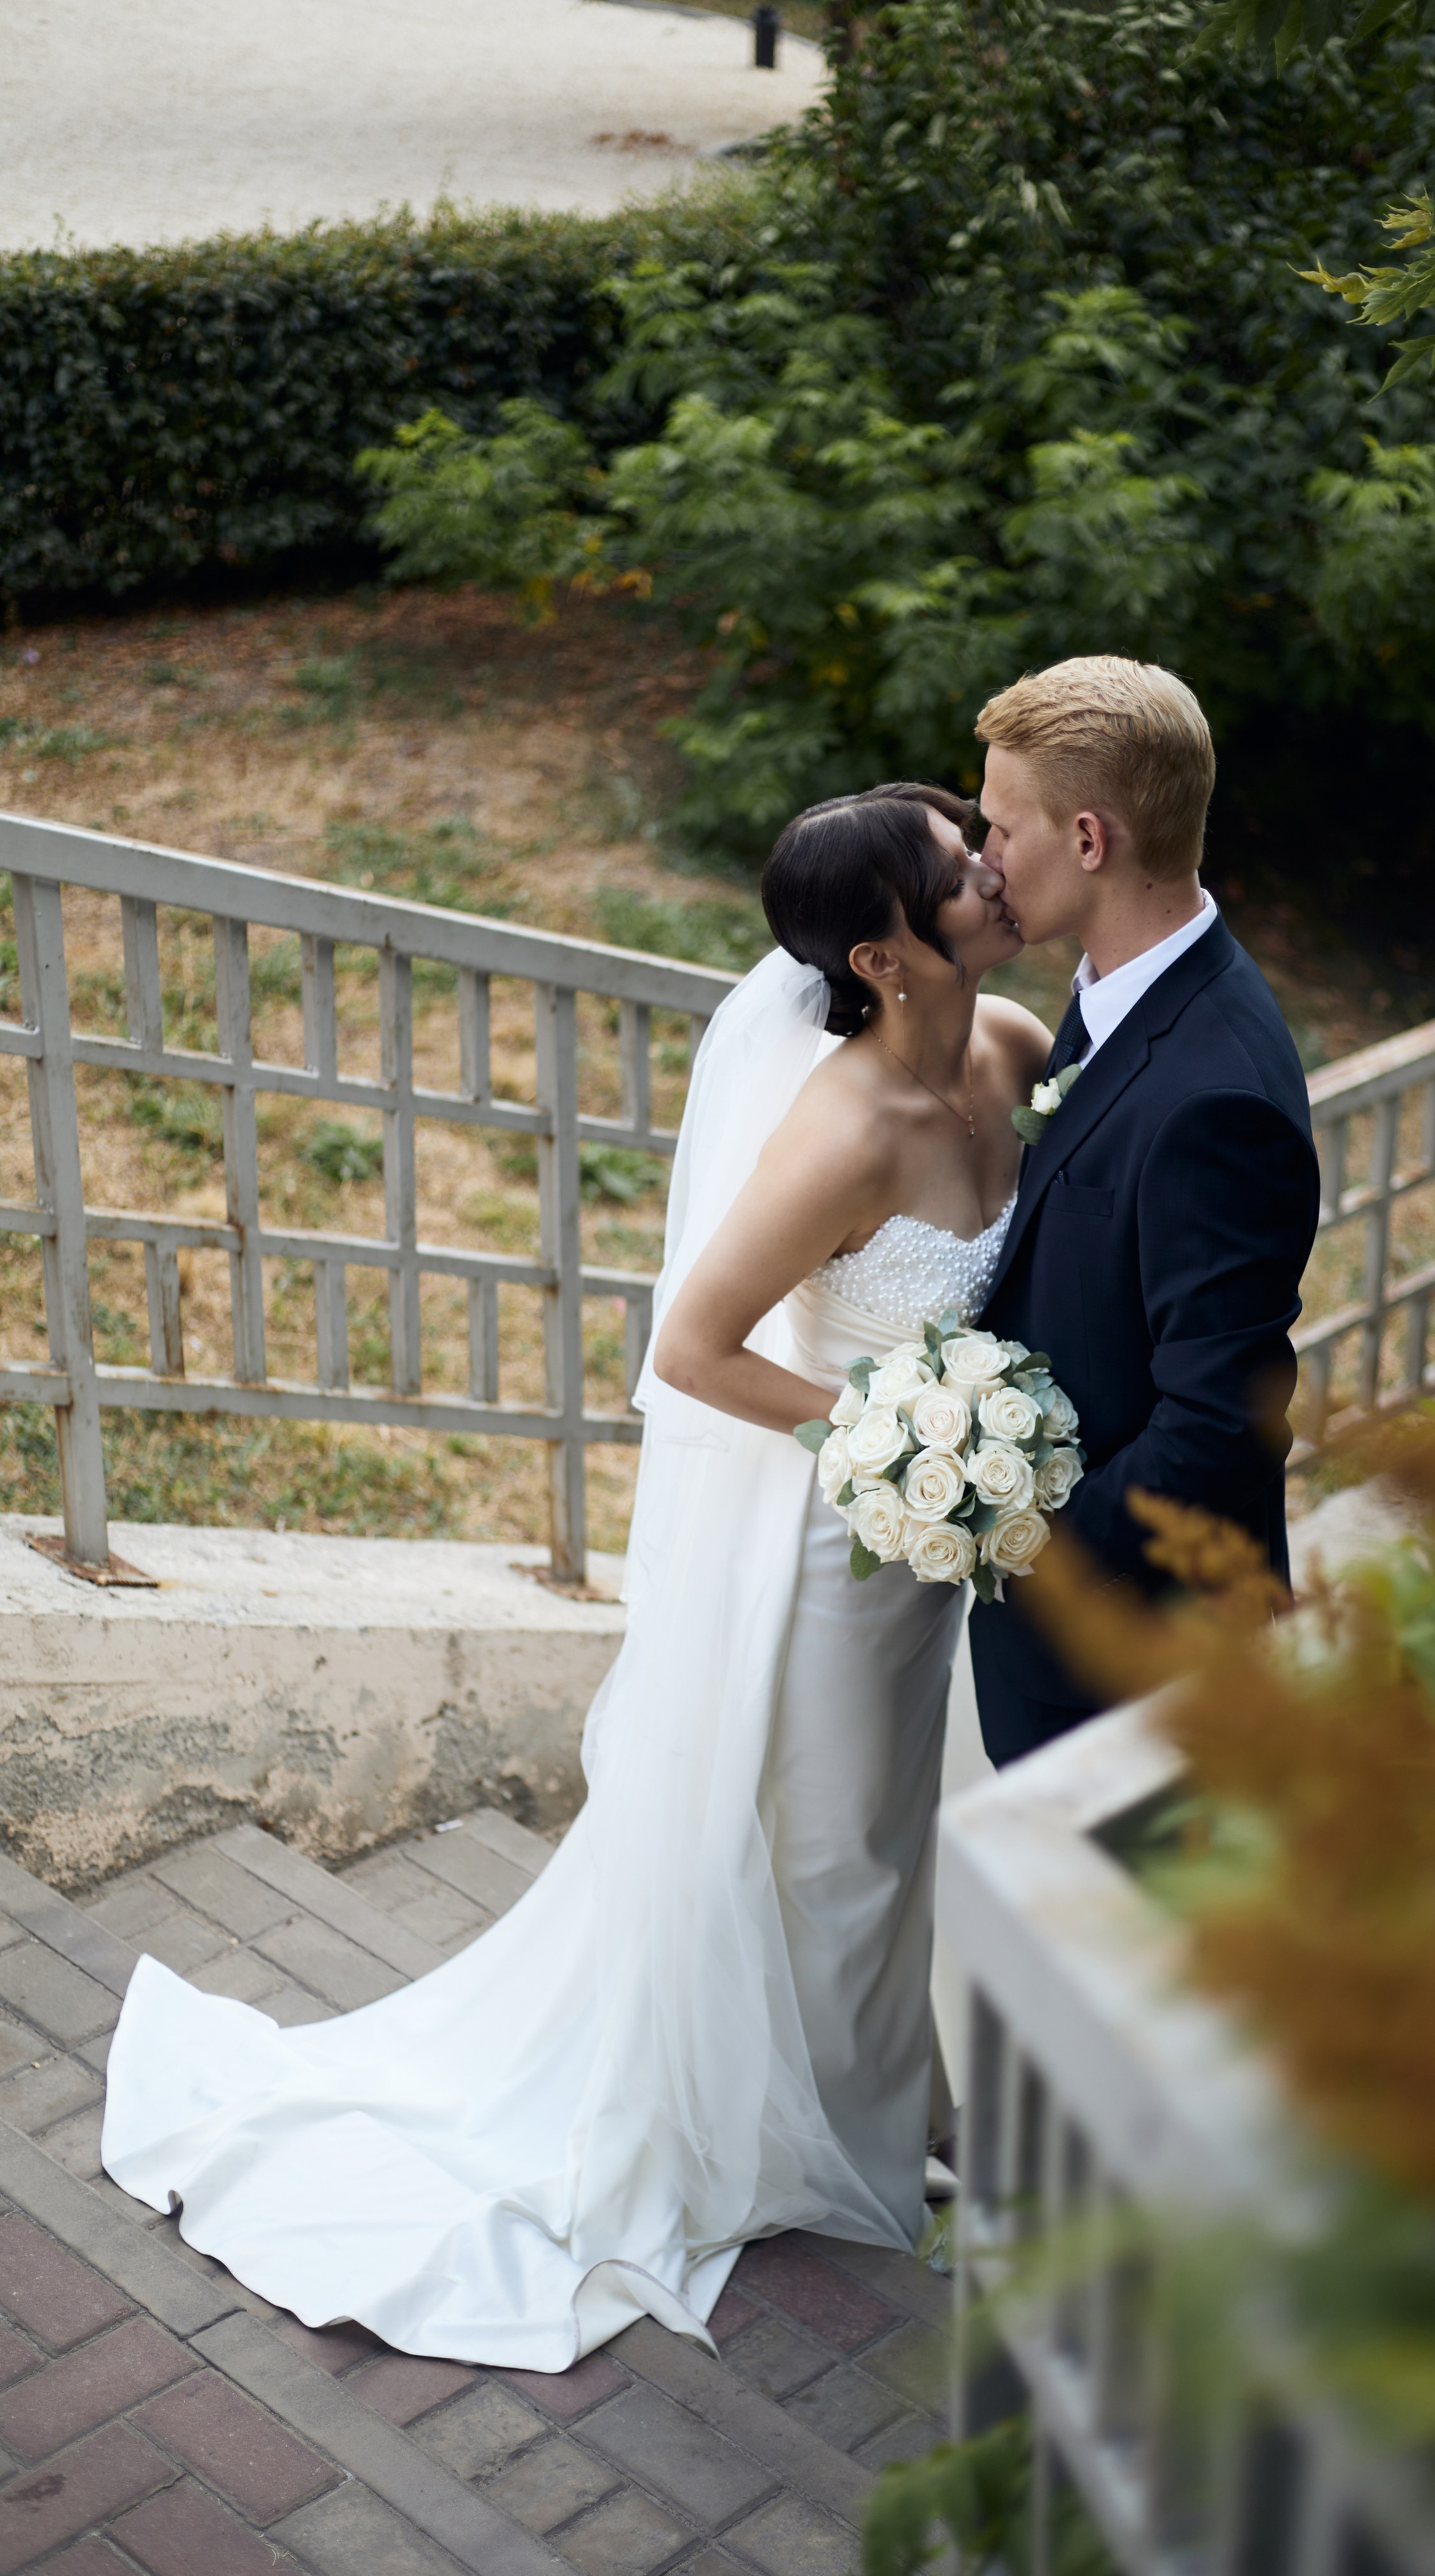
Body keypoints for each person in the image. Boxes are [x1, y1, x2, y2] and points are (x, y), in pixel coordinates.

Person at [100, 784, 1050, 2371]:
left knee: (903, 1839)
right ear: (882, 958)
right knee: (837, 1858)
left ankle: (899, 2114)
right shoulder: (842, 1131)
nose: (989, 865)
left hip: (944, 1539)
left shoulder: (1013, 1046)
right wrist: (892, 1436)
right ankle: (842, 2163)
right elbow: (693, 1349)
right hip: (835, 1547)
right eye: (957, 865)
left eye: (973, 838)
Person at [968, 656, 1320, 1768]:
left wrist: (1025, 1547)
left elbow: (1218, 1423)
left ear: (1088, 840)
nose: (983, 858)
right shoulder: (1123, 990)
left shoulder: (1216, 1098)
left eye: (1000, 828)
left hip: (1136, 1662)